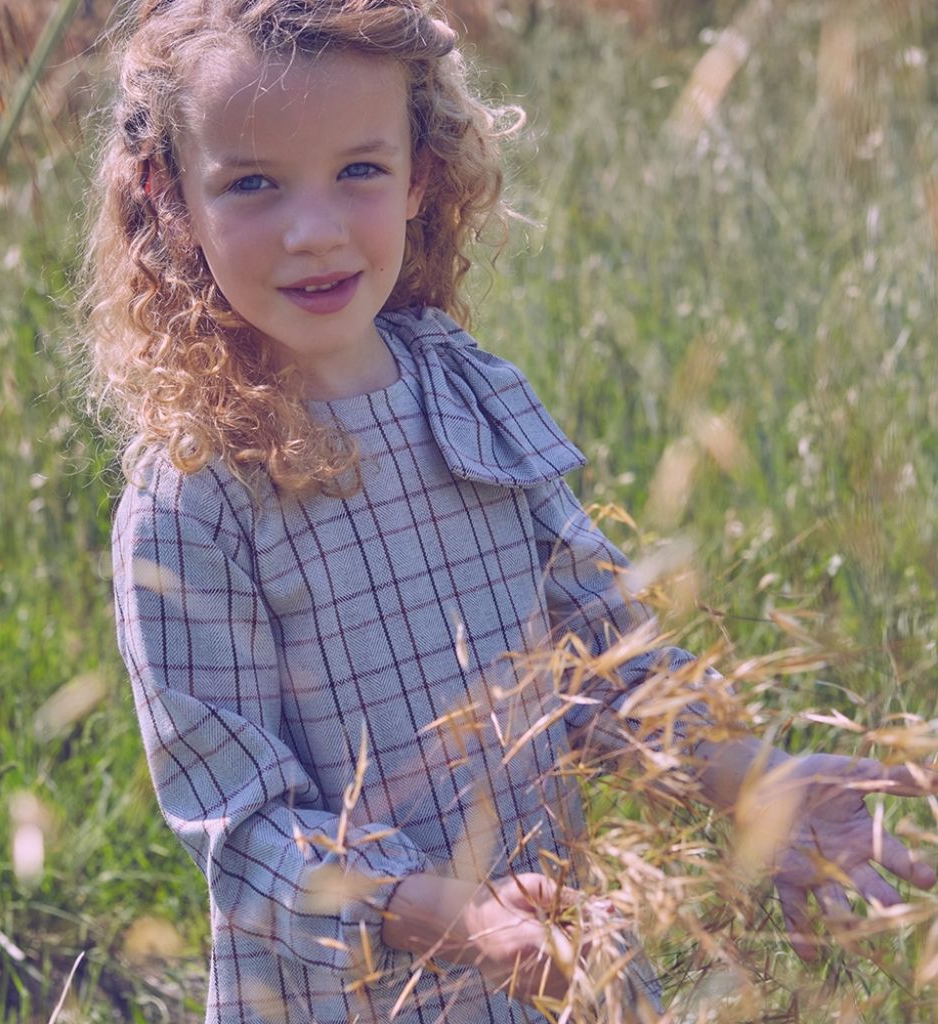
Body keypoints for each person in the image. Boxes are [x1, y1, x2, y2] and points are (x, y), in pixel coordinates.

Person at [81, 1, 937, 1021]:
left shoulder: (466, 389)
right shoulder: (194, 493)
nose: (312, 230)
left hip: (561, 968)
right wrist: (459, 917)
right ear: (169, 195)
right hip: (347, 995)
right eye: (253, 184)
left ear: (420, 176)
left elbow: (596, 656)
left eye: (359, 169)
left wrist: (751, 776)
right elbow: (246, 824)